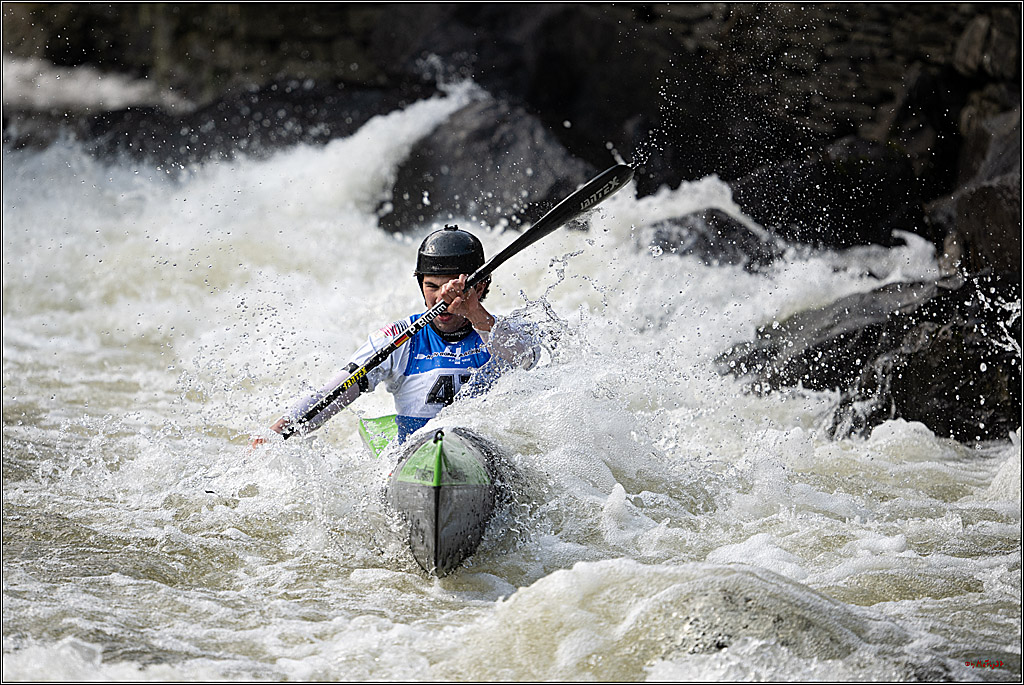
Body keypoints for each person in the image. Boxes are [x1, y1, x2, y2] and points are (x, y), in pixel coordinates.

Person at [253, 224, 540, 446]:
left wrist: (475, 312)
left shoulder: (504, 334)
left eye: (450, 286)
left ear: (480, 286)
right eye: (431, 286)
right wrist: (276, 434)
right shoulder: (398, 339)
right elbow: (333, 393)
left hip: (483, 454)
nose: (441, 296)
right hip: (417, 453)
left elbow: (527, 361)